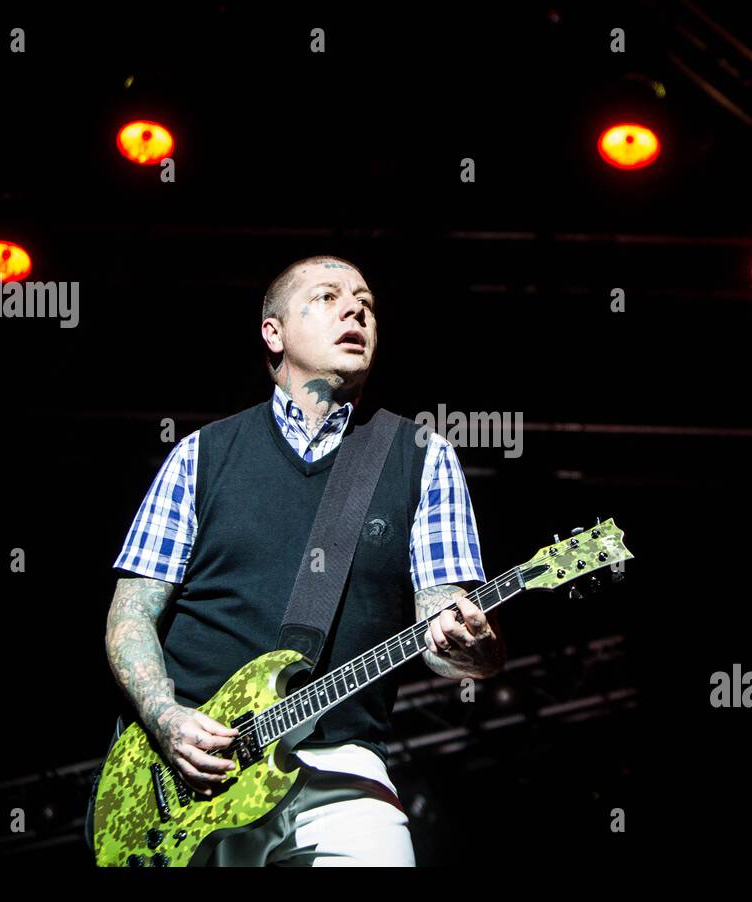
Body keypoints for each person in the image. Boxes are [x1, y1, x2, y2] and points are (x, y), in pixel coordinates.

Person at [100, 254, 504, 865]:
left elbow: (441, 634)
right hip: (197, 775)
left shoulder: (422, 455)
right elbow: (130, 616)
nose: (355, 310)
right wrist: (165, 718)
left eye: (366, 302)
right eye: (327, 297)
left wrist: (472, 652)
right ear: (274, 332)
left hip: (344, 770)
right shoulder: (200, 455)